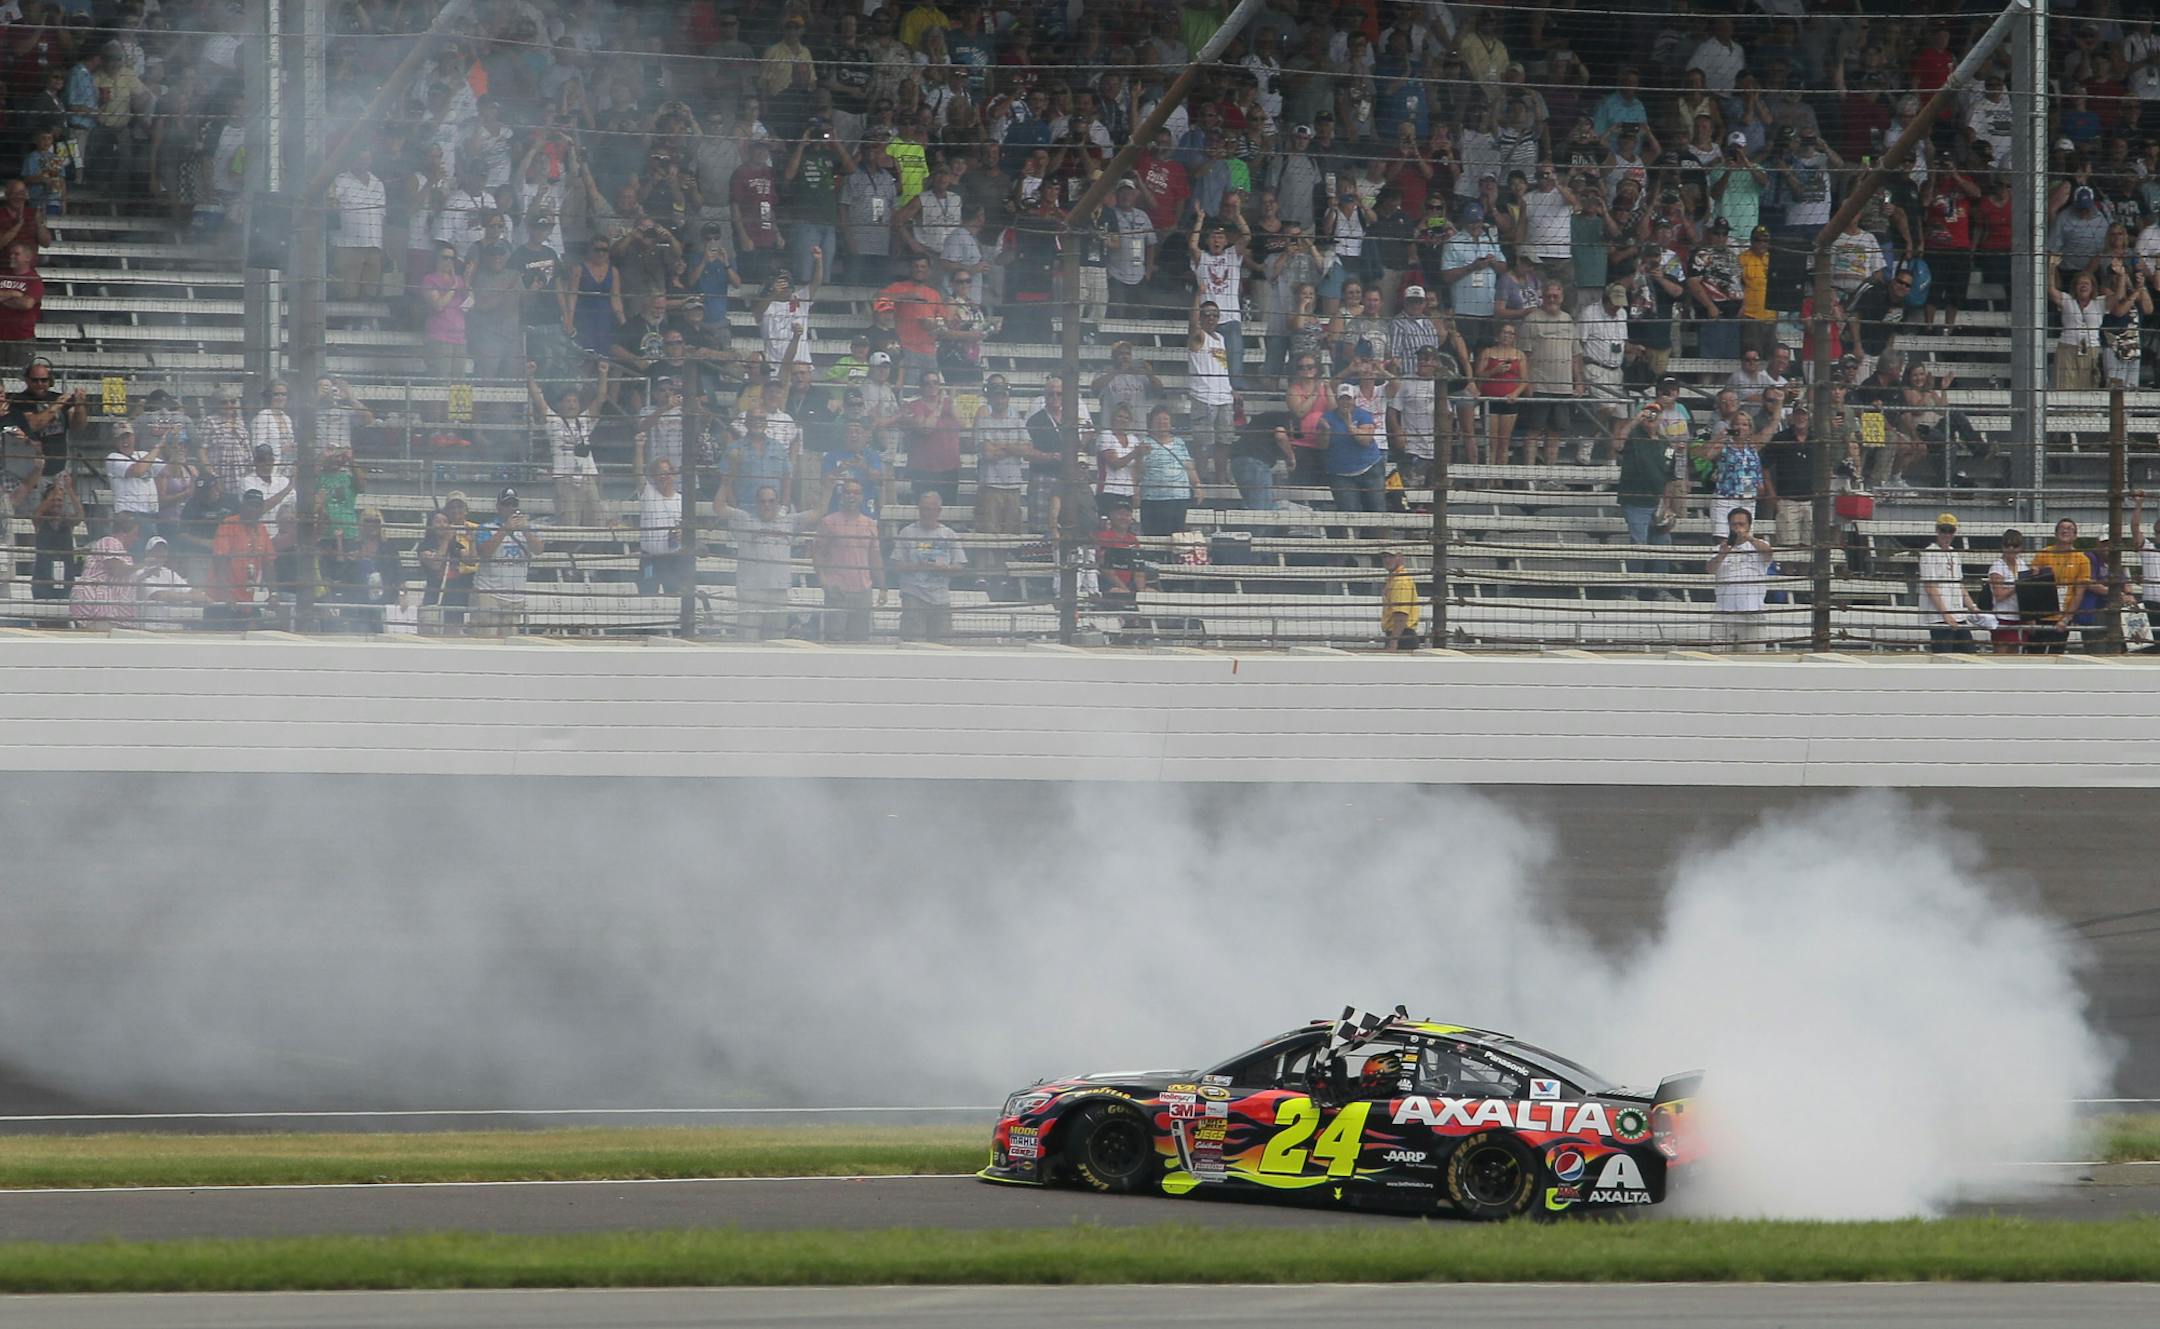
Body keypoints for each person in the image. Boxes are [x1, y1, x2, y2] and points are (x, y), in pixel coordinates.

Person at [713, 483, 813, 640]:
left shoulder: (788, 521)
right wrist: (726, 482)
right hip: (751, 591)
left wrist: (828, 489)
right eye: (763, 501)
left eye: (771, 501)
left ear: (778, 502)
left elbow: (819, 512)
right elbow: (719, 507)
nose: (767, 505)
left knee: (776, 641)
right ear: (756, 503)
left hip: (779, 590)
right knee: (748, 639)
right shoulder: (743, 519)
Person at [813, 477, 885, 641]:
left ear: (862, 497)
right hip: (838, 590)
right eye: (847, 492)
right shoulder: (829, 522)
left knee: (859, 640)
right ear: (841, 495)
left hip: (863, 590)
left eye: (856, 492)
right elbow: (817, 553)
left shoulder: (870, 524)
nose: (851, 496)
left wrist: (883, 587)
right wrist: (823, 580)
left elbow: (875, 557)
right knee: (834, 639)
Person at [529, 364, 601, 528]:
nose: (572, 404)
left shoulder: (584, 420)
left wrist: (603, 374)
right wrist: (530, 376)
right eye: (567, 401)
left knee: (596, 523)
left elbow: (601, 398)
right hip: (564, 480)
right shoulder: (554, 421)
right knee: (569, 526)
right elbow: (537, 398)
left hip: (588, 478)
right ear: (560, 405)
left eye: (574, 401)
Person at [891, 489, 966, 641]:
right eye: (924, 509)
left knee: (943, 646)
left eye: (930, 509)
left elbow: (960, 567)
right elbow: (895, 566)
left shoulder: (949, 535)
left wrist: (945, 569)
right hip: (913, 595)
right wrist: (918, 566)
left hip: (941, 598)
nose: (927, 513)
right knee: (912, 643)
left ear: (939, 511)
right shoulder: (907, 533)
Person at [470, 488, 543, 637]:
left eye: (513, 504)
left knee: (511, 642)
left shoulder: (528, 528)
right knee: (486, 639)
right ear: (498, 507)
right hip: (489, 593)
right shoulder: (487, 528)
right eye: (507, 504)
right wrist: (504, 529)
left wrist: (526, 530)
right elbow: (485, 552)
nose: (511, 508)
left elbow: (539, 549)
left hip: (515, 596)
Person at [1706, 505, 1773, 652]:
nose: (1737, 528)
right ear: (1729, 526)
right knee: (1717, 655)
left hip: (1752, 610)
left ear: (1749, 525)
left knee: (1755, 658)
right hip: (1724, 611)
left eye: (1741, 524)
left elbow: (1768, 553)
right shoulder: (1719, 548)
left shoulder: (1760, 545)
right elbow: (1710, 570)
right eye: (1734, 524)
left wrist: (1748, 537)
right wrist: (1723, 554)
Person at [1918, 513, 1986, 653]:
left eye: (1951, 531)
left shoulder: (1954, 553)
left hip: (1958, 615)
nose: (1947, 535)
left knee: (1970, 654)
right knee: (1945, 658)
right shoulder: (1928, 554)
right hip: (1939, 618)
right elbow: (1930, 587)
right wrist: (1946, 614)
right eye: (1944, 530)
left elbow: (1959, 584)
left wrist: (1972, 607)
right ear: (1937, 530)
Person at [1136, 405, 1200, 536]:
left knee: (1176, 536)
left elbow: (1189, 466)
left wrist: (1197, 486)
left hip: (1178, 498)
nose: (1161, 423)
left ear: (1170, 423)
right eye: (1158, 419)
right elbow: (1138, 471)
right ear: (1151, 423)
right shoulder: (1144, 443)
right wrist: (1139, 455)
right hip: (1152, 499)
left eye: (1165, 419)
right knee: (1153, 536)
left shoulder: (1180, 443)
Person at [1322, 382, 1384, 513]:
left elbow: (1365, 440)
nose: (1345, 402)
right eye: (1342, 399)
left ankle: (1376, 534)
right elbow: (1322, 445)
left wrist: (1350, 426)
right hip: (1340, 473)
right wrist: (1326, 430)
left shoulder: (1364, 415)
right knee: (1349, 512)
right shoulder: (1326, 418)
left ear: (1354, 399)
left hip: (1369, 468)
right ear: (1337, 400)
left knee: (1377, 509)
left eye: (1348, 399)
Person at [634, 459, 686, 595]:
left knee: (675, 596)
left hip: (673, 560)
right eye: (660, 473)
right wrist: (639, 447)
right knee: (646, 595)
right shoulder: (648, 493)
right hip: (649, 560)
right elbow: (638, 474)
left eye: (667, 472)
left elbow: (687, 528)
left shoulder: (681, 500)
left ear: (673, 475)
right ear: (654, 477)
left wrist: (682, 533)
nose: (664, 476)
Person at [1987, 527, 2028, 655]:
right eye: (2007, 545)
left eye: (2014, 545)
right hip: (2003, 617)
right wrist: (2016, 587)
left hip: (2019, 616)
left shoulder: (2022, 564)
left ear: (2020, 548)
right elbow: (1998, 595)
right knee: (2002, 653)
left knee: (2015, 654)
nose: (2011, 549)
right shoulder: (1998, 566)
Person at [1381, 548, 1419, 650]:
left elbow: (1401, 613)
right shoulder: (1394, 578)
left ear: (1401, 558)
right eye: (1385, 557)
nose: (1387, 560)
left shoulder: (1400, 580)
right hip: (1400, 633)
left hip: (1401, 635)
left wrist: (1394, 640)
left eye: (1392, 556)